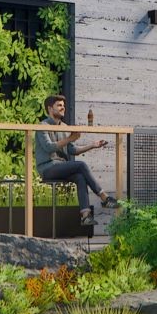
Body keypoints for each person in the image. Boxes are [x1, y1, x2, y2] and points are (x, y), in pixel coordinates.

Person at [34, 93, 117, 228]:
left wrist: (93, 145)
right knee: (81, 165)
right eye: (59, 105)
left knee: (80, 177)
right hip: (47, 168)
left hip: (61, 166)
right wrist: (70, 139)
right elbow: (48, 148)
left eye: (63, 105)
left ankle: (85, 216)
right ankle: (104, 197)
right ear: (50, 109)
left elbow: (72, 150)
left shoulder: (65, 127)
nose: (63, 108)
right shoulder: (42, 126)